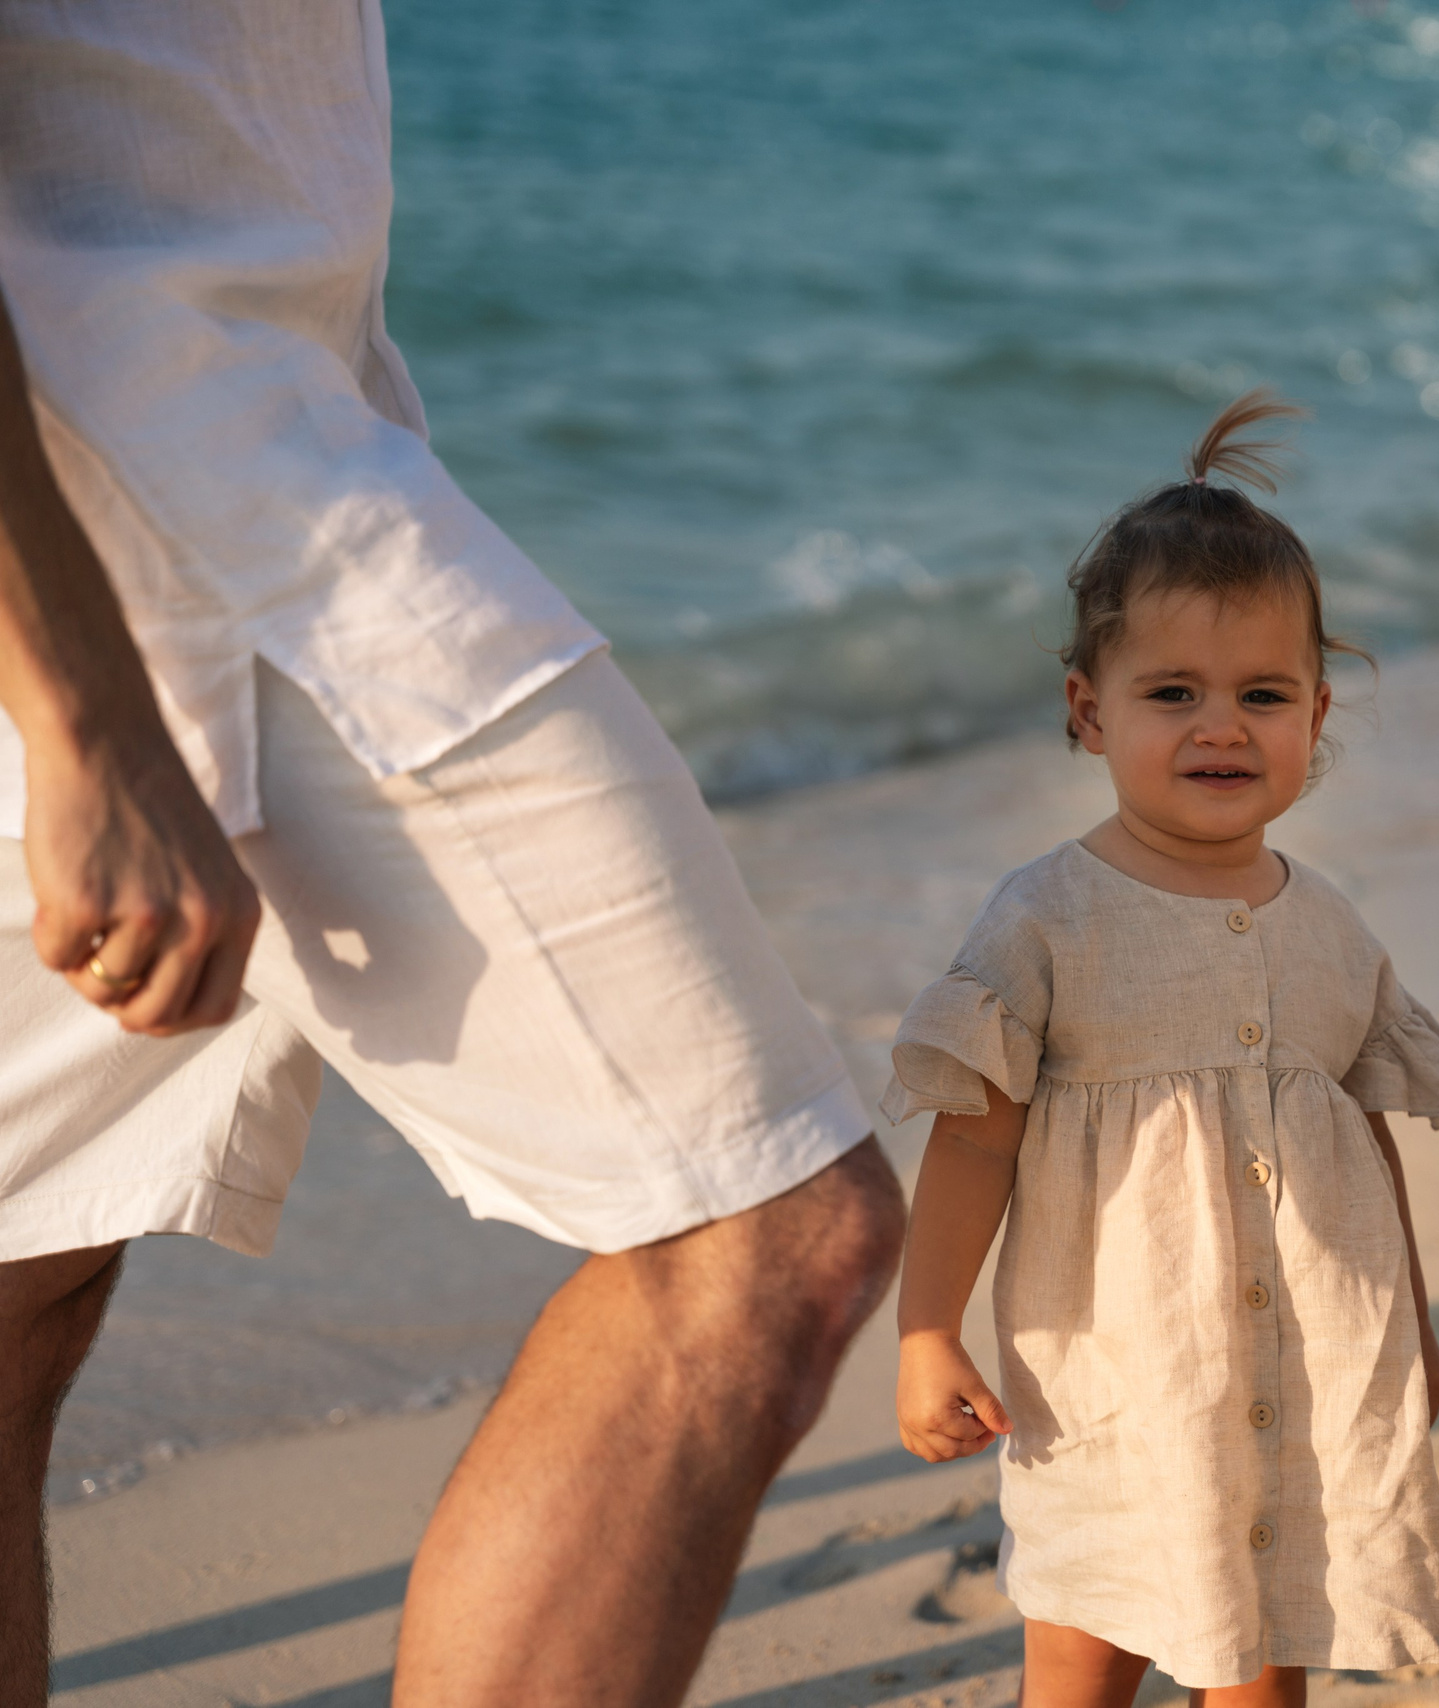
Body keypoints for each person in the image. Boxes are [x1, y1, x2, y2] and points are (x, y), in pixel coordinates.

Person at [0, 5, 904, 1702]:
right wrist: (89, 725)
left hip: (164, 463)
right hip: (192, 509)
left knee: (10, 1293)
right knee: (762, 1242)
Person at [885, 395, 1439, 1708]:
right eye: (1173, 694)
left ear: (1317, 713)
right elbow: (976, 1136)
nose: (1221, 726)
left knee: (1262, 1655)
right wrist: (927, 1327)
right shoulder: (1047, 918)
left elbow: (1364, 1136)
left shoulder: (1326, 926)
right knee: (1083, 1650)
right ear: (1088, 712)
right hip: (1109, 1383)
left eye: (1261, 694)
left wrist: (1416, 1333)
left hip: (1296, 1374)